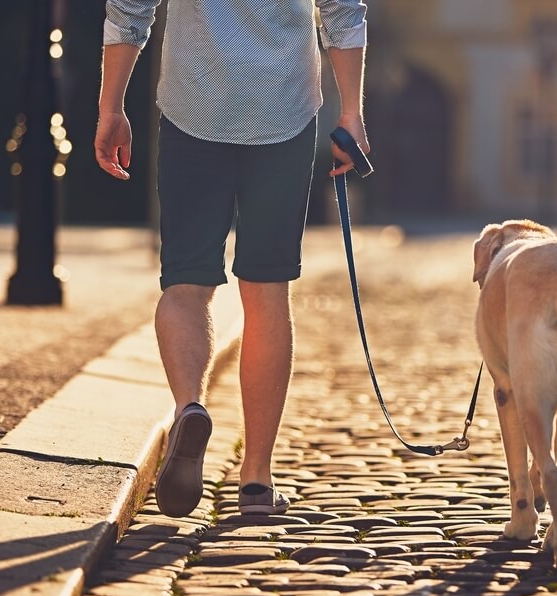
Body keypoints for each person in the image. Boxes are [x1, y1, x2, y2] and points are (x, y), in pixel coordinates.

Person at [95, 0, 369, 517]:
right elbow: (343, 12)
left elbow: (129, 9)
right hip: (284, 115)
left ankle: (189, 409)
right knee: (267, 292)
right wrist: (351, 114)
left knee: (185, 285)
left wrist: (112, 108)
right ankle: (257, 479)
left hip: (192, 108)